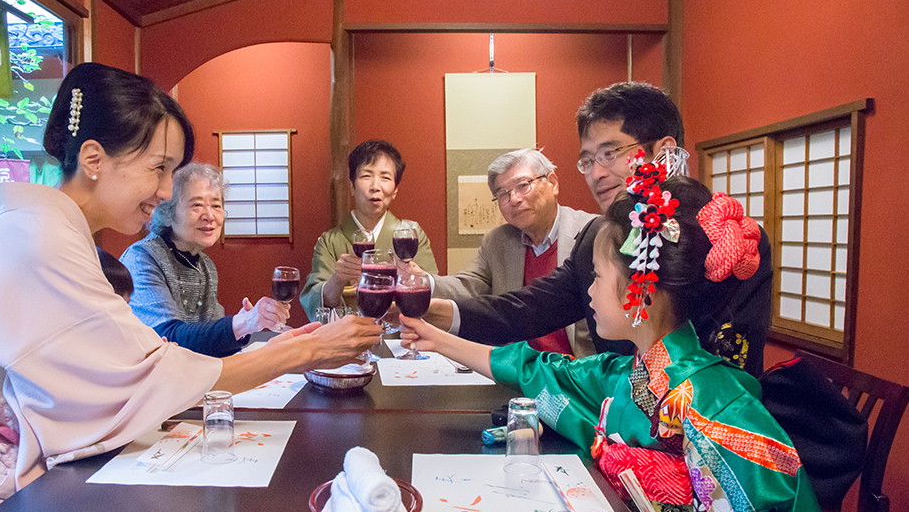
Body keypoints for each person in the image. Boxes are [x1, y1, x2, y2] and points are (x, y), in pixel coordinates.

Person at [0, 62, 381, 512]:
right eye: (158, 168)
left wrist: (289, 351)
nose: (165, 191)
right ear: (94, 158)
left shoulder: (54, 234)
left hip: (14, 500)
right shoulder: (40, 241)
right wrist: (304, 351)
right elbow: (153, 370)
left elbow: (147, 365)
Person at [400, 170, 861, 512]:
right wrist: (438, 340)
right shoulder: (637, 371)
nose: (590, 293)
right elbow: (544, 371)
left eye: (597, 278)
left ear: (640, 288)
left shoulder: (714, 406)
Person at [423, 82, 772, 378]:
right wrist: (433, 309)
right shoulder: (596, 237)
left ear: (663, 152)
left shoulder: (729, 238)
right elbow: (530, 309)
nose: (596, 174)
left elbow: (734, 366)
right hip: (611, 418)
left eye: (610, 153)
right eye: (588, 160)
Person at [427, 148, 597, 356]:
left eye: (523, 185)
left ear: (552, 183)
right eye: (503, 194)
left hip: (580, 371)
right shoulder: (498, 242)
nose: (514, 199)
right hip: (516, 372)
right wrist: (424, 283)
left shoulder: (592, 234)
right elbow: (470, 286)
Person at [121, 163, 287, 356]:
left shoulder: (205, 265)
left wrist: (246, 326)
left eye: (216, 205)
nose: (210, 216)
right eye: (197, 205)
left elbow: (209, 341)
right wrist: (243, 324)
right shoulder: (143, 257)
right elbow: (166, 339)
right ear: (167, 214)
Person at [300, 140, 439, 321]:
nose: (375, 186)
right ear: (352, 186)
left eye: (385, 178)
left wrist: (411, 277)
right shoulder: (330, 240)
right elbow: (316, 304)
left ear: (395, 190)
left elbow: (433, 296)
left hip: (400, 337)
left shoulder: (411, 234)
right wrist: (338, 279)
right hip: (347, 339)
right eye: (366, 176)